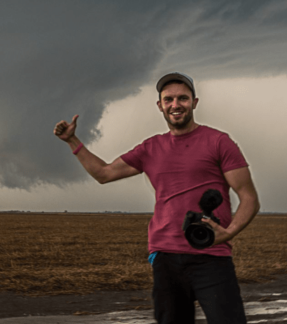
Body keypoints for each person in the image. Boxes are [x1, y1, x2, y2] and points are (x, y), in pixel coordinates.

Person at [53, 72, 260, 324]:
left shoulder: (219, 142)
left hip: (212, 254)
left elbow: (249, 197)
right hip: (166, 257)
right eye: (168, 99)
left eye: (183, 98)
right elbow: (104, 173)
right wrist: (72, 141)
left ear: (194, 102)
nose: (175, 104)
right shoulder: (150, 148)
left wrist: (228, 233)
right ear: (160, 105)